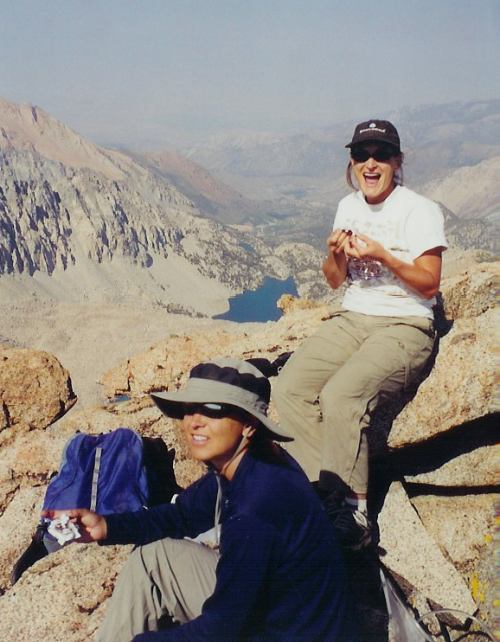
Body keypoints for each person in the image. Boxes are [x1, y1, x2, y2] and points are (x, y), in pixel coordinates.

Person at [44, 358, 356, 642]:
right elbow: (182, 515)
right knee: (153, 556)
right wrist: (106, 527)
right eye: (189, 409)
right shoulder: (250, 462)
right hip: (285, 615)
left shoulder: (257, 509)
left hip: (286, 634)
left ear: (249, 424)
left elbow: (221, 630)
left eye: (213, 410)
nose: (194, 421)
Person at [273, 119, 447, 550]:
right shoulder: (347, 206)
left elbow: (429, 284)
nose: (370, 164)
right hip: (353, 317)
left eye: (381, 155)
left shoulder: (419, 209)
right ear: (351, 162)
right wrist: (334, 254)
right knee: (290, 388)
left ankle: (353, 515)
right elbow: (335, 280)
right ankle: (323, 492)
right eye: (361, 155)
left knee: (342, 397)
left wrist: (384, 256)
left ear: (397, 162)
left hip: (406, 323)